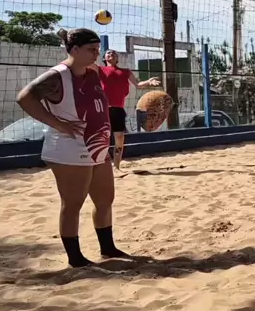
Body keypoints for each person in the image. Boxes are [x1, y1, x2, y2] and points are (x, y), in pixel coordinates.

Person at [15, 28, 131, 267]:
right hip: (68, 147)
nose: (96, 54)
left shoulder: (93, 72)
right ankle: (75, 259)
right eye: (91, 50)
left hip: (97, 144)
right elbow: (24, 98)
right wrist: (58, 123)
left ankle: (108, 248)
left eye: (98, 49)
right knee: (73, 204)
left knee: (105, 199)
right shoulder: (57, 76)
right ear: (75, 50)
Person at [98, 49, 160, 170]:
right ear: (104, 58)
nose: (111, 54)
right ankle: (101, 166)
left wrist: (148, 82)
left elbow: (137, 84)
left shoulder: (125, 72)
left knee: (119, 138)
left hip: (118, 110)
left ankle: (116, 166)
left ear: (117, 58)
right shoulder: (100, 70)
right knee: (102, 139)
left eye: (114, 53)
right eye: (108, 53)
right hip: (103, 109)